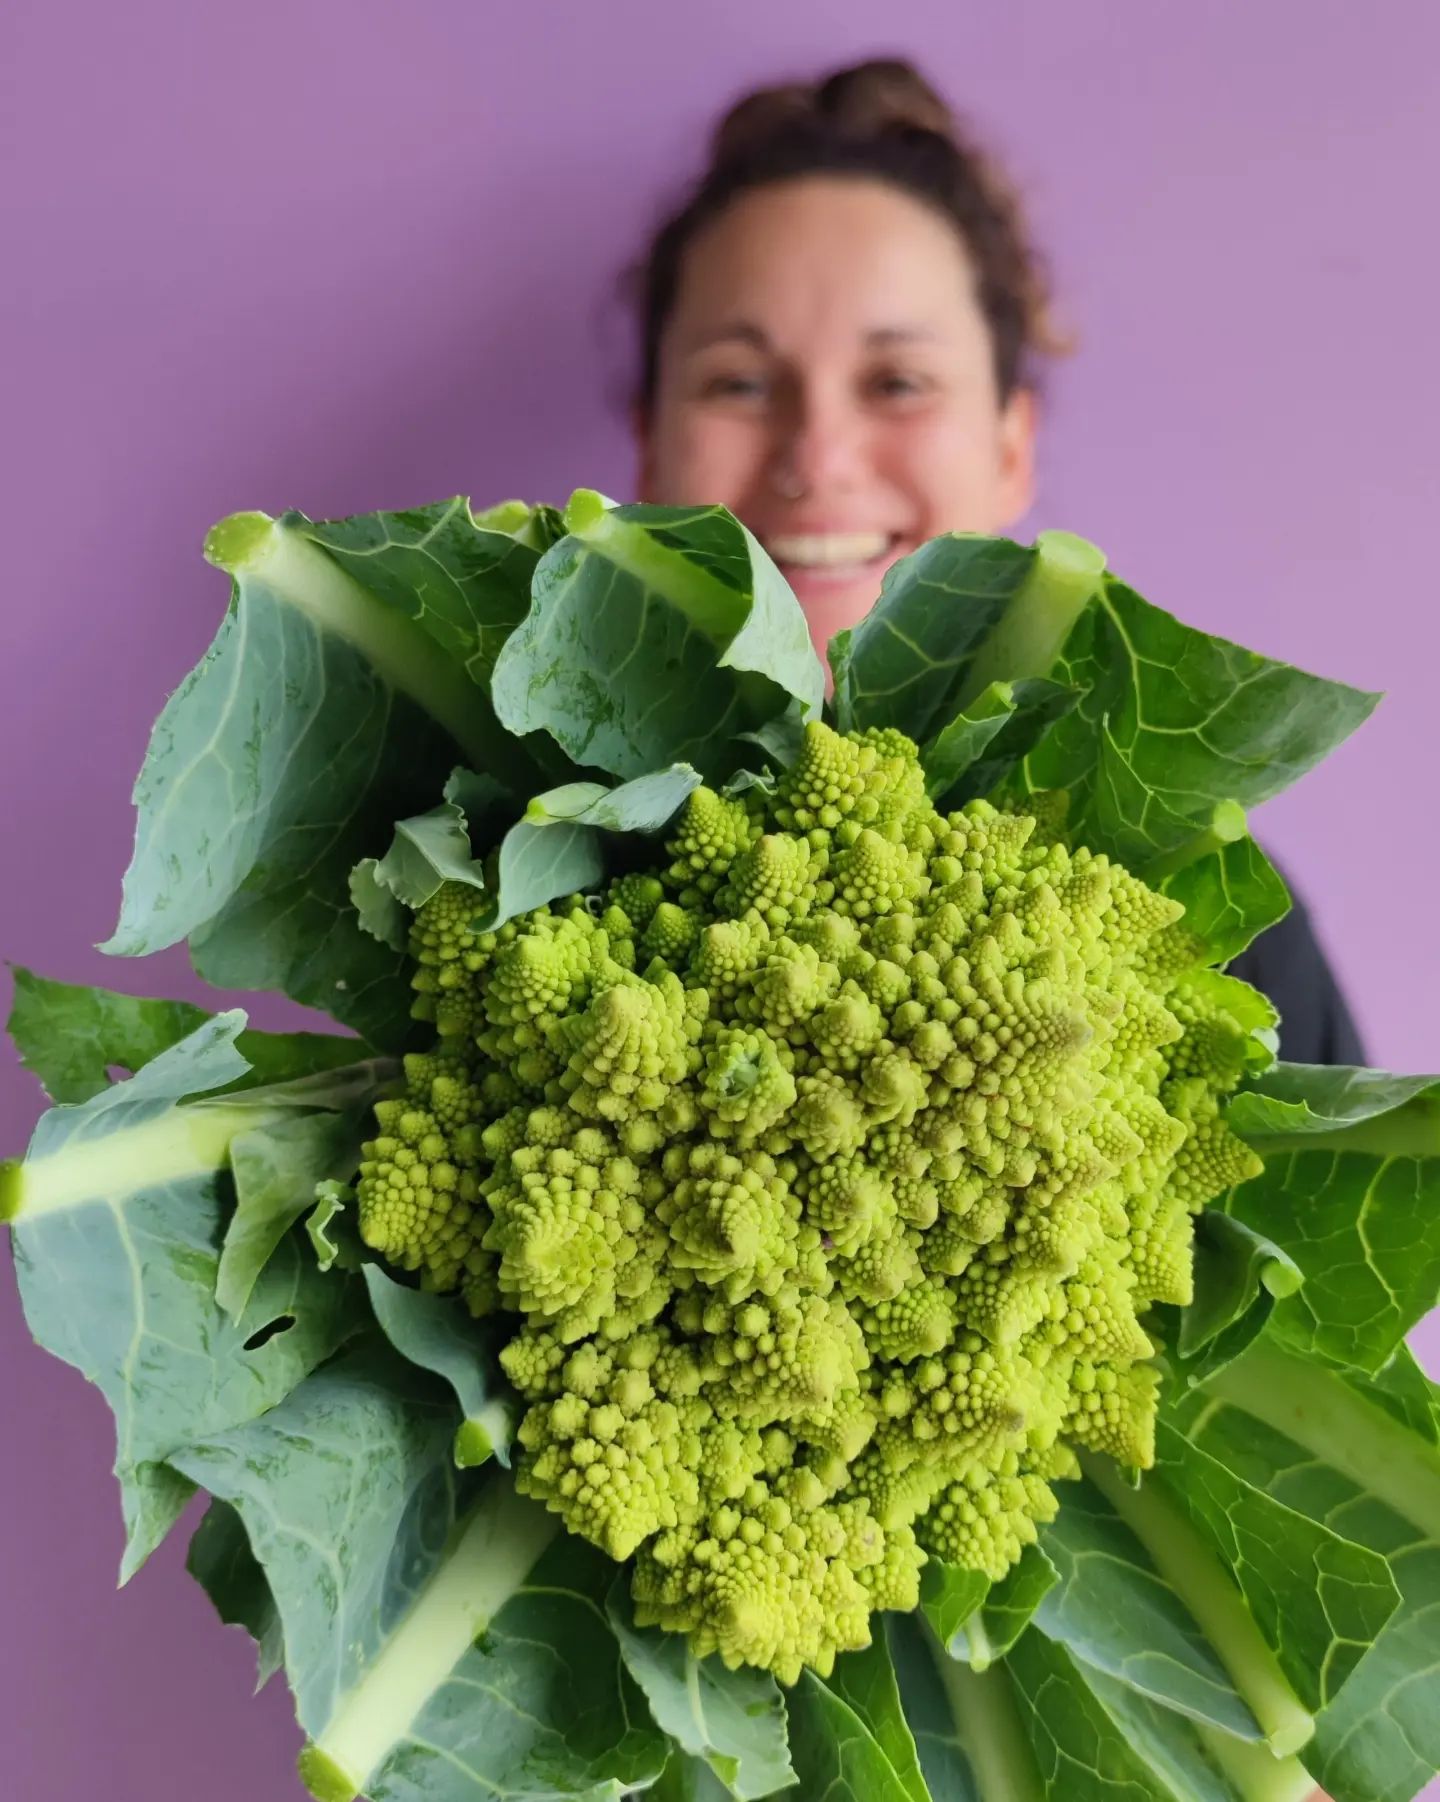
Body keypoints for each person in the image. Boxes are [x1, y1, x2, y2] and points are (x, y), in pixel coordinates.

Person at [627, 55, 1364, 1067]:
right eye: (740, 383)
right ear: (647, 443)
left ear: (1011, 446)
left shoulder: (1211, 922)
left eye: (896, 380)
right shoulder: (494, 861)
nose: (815, 460)